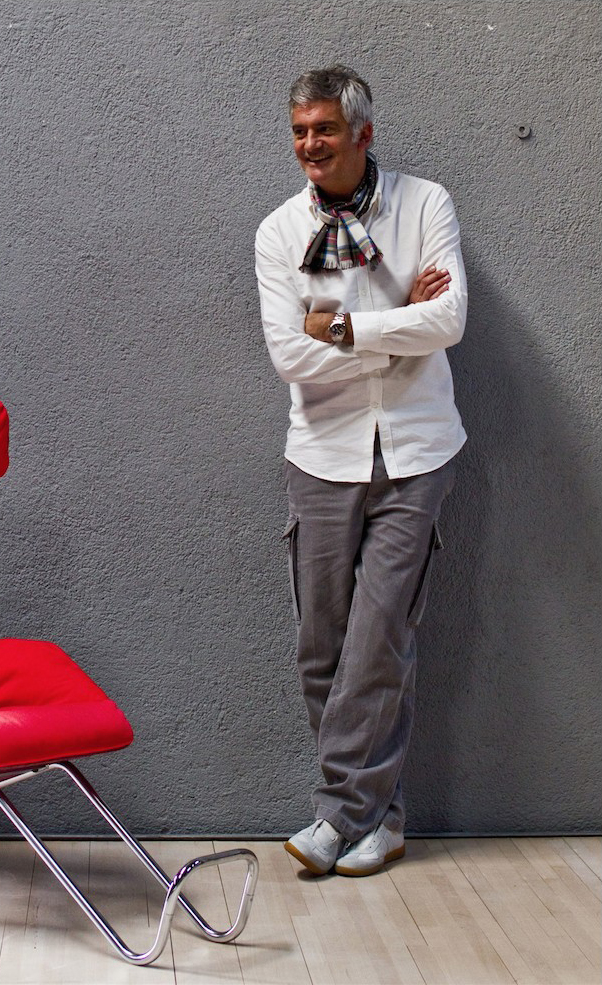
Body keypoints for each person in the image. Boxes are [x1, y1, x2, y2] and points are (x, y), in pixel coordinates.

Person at [255, 65, 467, 876]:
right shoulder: (279, 233)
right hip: (320, 454)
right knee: (322, 649)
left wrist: (339, 326)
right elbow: (289, 357)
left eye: (324, 129)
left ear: (362, 134)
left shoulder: (425, 204)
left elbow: (448, 319)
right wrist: (395, 322)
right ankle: (381, 820)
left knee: (378, 640)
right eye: (299, 131)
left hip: (417, 451)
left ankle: (334, 815)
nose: (309, 145)